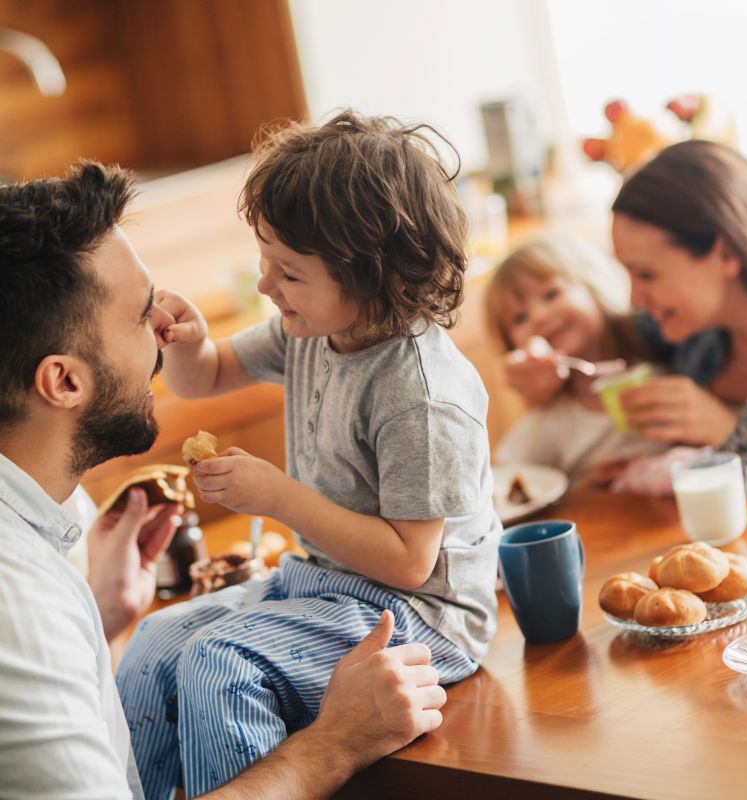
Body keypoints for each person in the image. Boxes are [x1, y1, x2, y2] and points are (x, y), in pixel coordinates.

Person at [0, 162, 446, 800]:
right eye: (137, 315)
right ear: (64, 382)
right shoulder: (16, 605)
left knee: (164, 636)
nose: (162, 328)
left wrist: (98, 618)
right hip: (337, 594)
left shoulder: (47, 505)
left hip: (395, 605)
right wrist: (333, 744)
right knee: (217, 663)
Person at [116, 110, 500, 799]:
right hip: (321, 585)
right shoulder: (313, 330)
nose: (265, 286)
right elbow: (204, 377)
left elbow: (410, 563)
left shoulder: (421, 395)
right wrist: (188, 343)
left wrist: (278, 497)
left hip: (423, 618)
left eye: (287, 272)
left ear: (384, 279)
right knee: (155, 644)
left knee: (219, 663)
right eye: (265, 262)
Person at [611, 140, 747, 501]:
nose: (635, 298)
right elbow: (610, 329)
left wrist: (725, 432)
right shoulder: (693, 331)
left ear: (726, 253)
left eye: (647, 275)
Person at [485, 233, 664, 484]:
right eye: (519, 318)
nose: (538, 316)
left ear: (593, 285)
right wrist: (580, 488)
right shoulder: (551, 420)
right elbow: (501, 483)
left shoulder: (669, 363)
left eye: (550, 295)